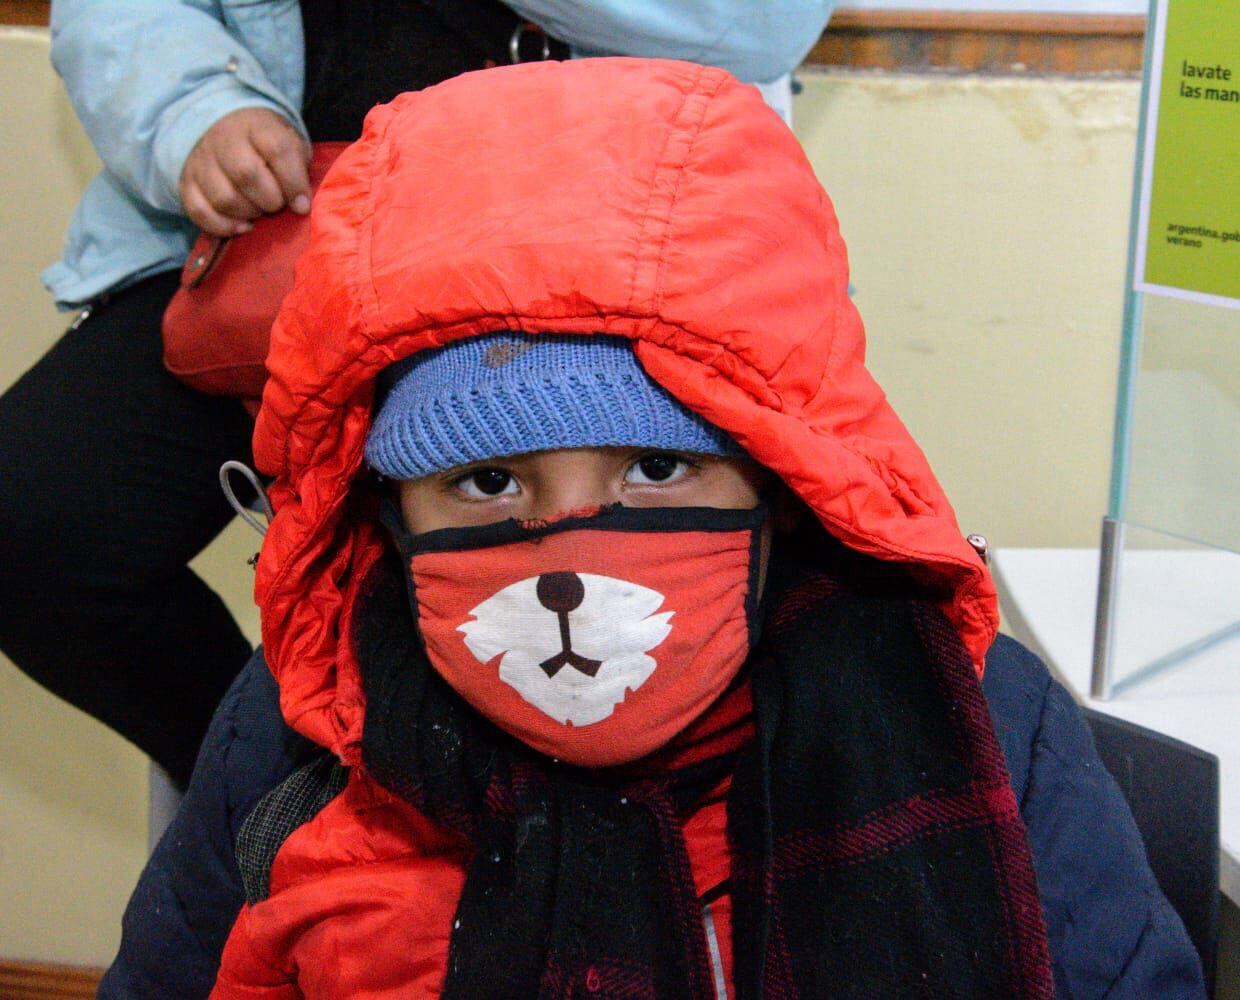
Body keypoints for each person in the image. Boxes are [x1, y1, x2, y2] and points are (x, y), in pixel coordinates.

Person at [101, 59, 1205, 998]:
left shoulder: (973, 717)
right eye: (486, 482)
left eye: (659, 466)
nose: (570, 552)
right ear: (385, 511)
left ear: (779, 478)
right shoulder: (302, 733)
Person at [0, 0, 833, 786]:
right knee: (35, 525)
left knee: (583, 586)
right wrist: (191, 111)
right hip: (285, 240)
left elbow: (757, 21)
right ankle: (273, 799)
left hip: (608, 233)